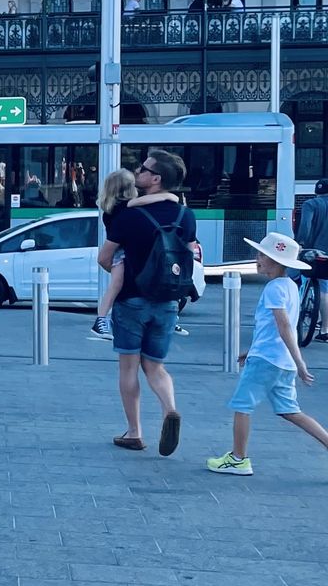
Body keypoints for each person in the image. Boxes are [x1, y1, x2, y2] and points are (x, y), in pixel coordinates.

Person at [98, 149, 195, 455]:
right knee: (155, 366)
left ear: (156, 179)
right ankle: (169, 409)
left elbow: (105, 257)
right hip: (168, 301)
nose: (138, 172)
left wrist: (122, 273)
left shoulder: (129, 216)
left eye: (144, 169)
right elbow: (190, 252)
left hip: (132, 300)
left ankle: (134, 432)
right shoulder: (185, 215)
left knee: (128, 368)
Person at [208, 233, 328, 475]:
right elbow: (276, 329)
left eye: (263, 255)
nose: (258, 259)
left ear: (277, 262)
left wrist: (300, 362)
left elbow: (283, 326)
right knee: (290, 411)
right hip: (280, 361)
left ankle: (239, 458)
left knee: (242, 406)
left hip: (267, 361)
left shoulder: (274, 288)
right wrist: (256, 351)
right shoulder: (291, 286)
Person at [89, 168, 138, 341]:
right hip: (123, 251)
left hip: (119, 250)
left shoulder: (110, 209)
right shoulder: (128, 208)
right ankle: (101, 319)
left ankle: (102, 319)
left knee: (116, 285)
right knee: (116, 284)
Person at [297, 179, 328, 341]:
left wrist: (301, 244)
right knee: (325, 287)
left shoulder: (310, 204)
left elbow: (305, 226)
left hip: (315, 252)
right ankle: (324, 329)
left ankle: (296, 314)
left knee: (300, 278)